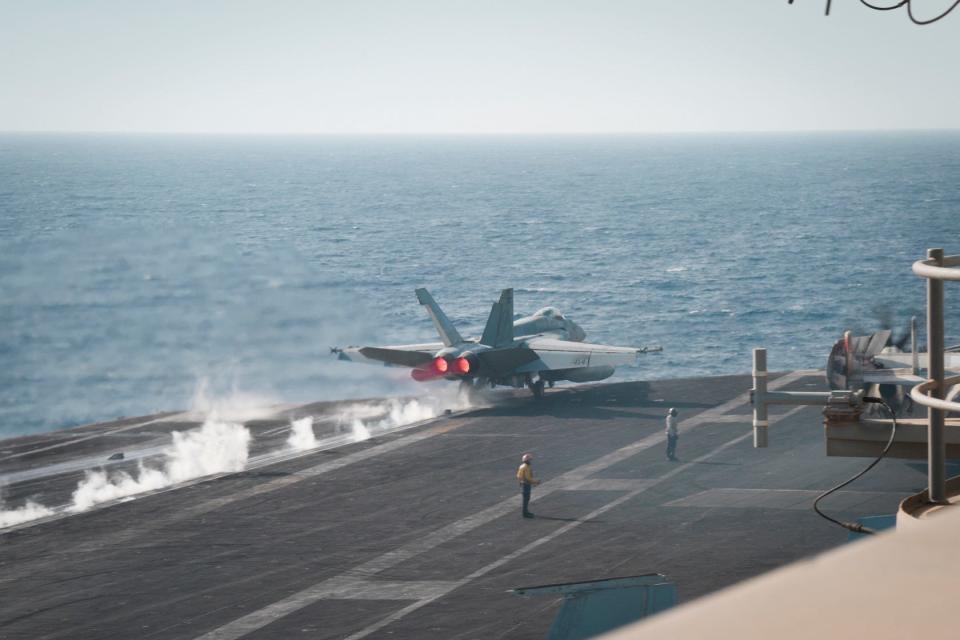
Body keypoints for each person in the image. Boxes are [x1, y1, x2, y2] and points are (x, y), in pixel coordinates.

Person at [517, 453, 540, 518]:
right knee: (526, 499)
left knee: (525, 499)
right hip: (526, 484)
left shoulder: (521, 466)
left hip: (523, 483)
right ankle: (525, 513)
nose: (530, 461)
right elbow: (528, 478)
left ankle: (525, 512)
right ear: (527, 460)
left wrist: (520, 481)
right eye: (530, 460)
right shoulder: (526, 467)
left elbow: (518, 475)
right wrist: (535, 481)